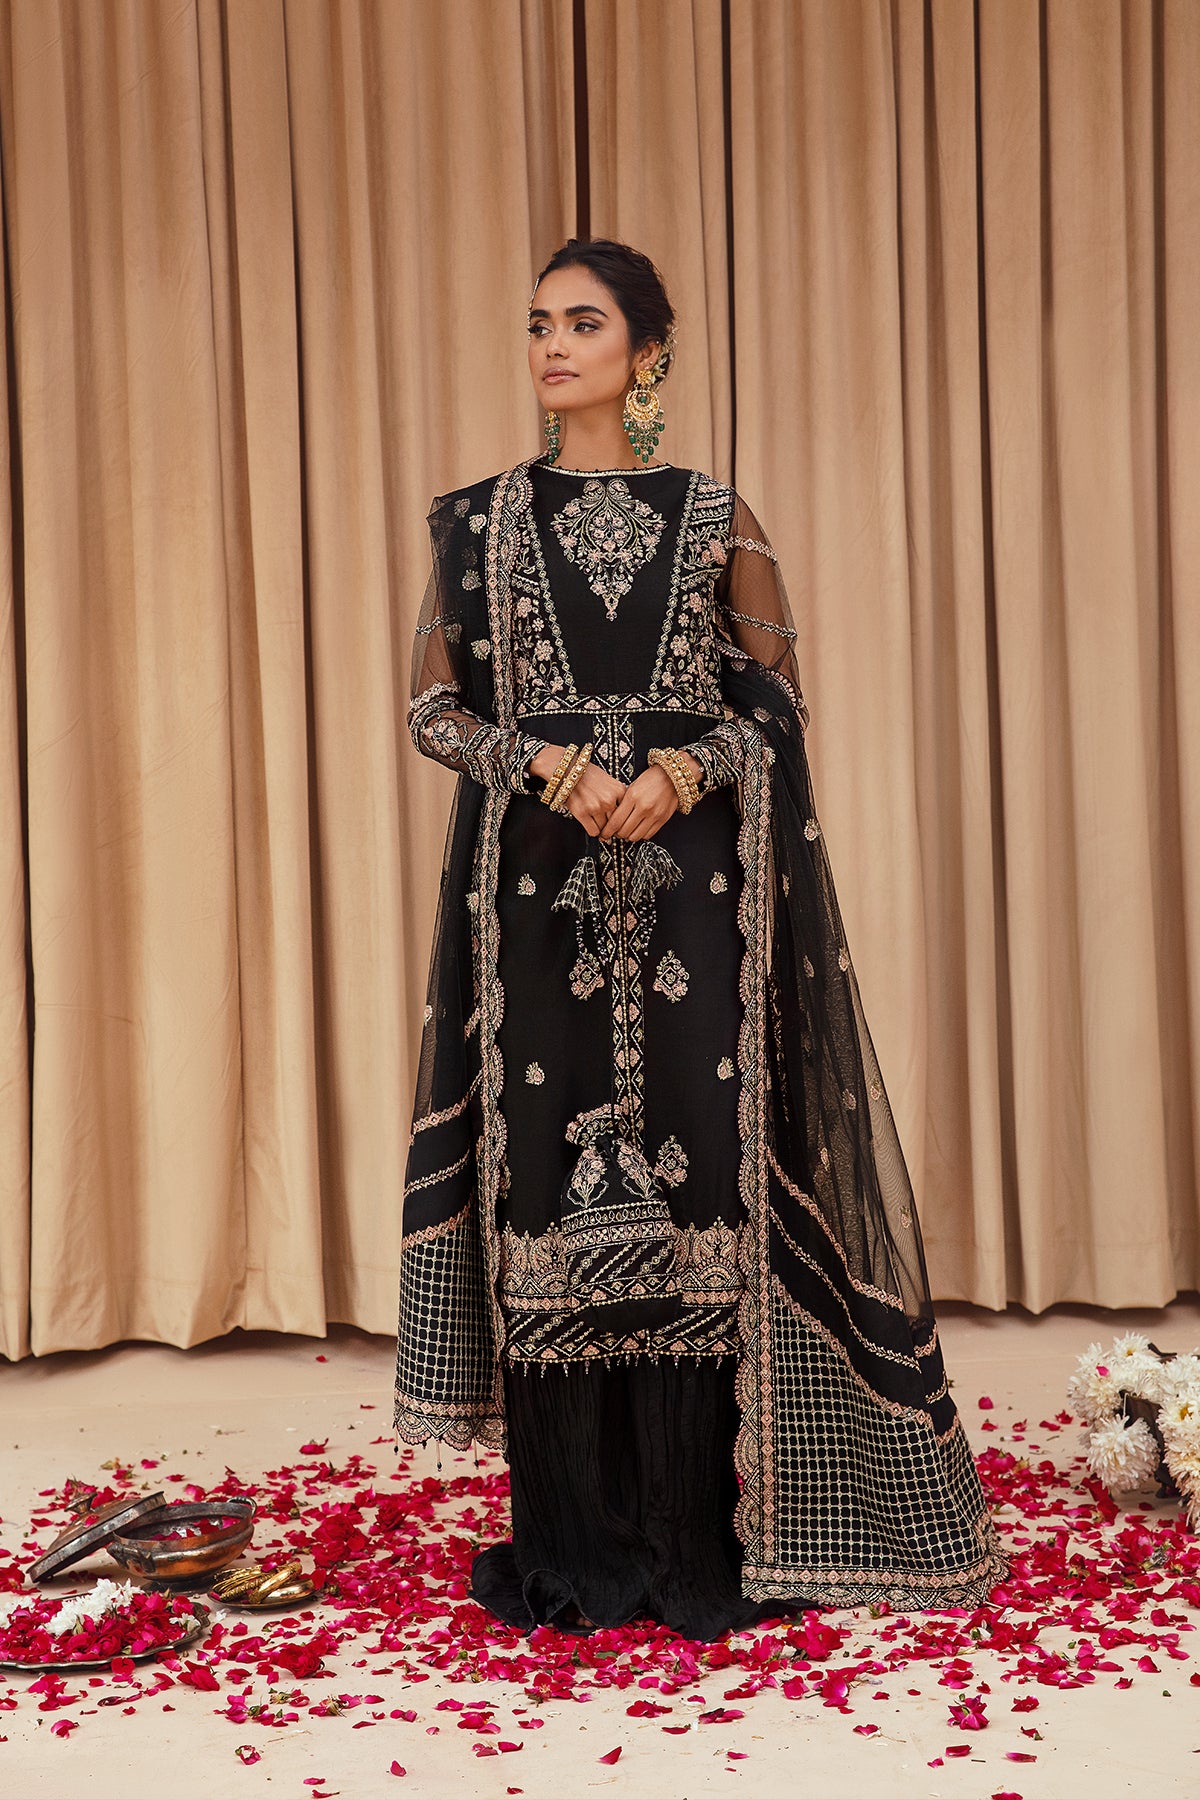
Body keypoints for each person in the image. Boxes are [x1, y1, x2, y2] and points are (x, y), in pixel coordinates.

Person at [394, 238, 1007, 1640]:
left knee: (699, 1169)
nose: (553, 346)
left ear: (645, 352)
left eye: (583, 323)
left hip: (692, 886)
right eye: (539, 323)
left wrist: (681, 772)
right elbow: (433, 709)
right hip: (535, 888)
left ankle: (693, 1533)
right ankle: (576, 1536)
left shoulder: (716, 513)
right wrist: (544, 769)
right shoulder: (477, 524)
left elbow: (775, 699)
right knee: (548, 1173)